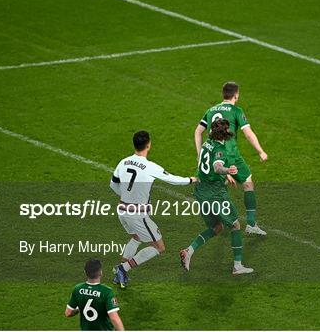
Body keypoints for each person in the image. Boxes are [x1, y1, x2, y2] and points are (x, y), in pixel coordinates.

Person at [110, 130, 196, 288]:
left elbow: (113, 184)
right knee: (159, 246)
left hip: (122, 210)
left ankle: (120, 274)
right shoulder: (150, 166)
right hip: (137, 214)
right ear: (148, 145)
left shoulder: (123, 162)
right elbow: (173, 179)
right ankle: (122, 268)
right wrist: (191, 180)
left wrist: (126, 196)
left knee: (136, 237)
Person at [181, 119, 254, 275]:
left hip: (200, 191)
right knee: (235, 225)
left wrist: (225, 177)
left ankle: (189, 251)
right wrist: (228, 171)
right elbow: (217, 166)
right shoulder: (220, 149)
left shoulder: (207, 143)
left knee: (216, 227)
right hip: (215, 194)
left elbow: (206, 166)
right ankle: (237, 266)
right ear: (224, 133)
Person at [195, 82, 268, 235]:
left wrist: (199, 154)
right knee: (248, 182)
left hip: (213, 154)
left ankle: (221, 219)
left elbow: (198, 131)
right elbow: (248, 133)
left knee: (220, 184)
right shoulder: (236, 110)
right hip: (231, 155)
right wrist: (260, 151)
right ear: (236, 95)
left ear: (223, 94)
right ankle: (251, 224)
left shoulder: (211, 110)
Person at [65, 259, 124, 331]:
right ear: (100, 273)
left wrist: (79, 308)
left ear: (85, 272)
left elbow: (68, 313)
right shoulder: (107, 292)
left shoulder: (77, 289)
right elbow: (114, 318)